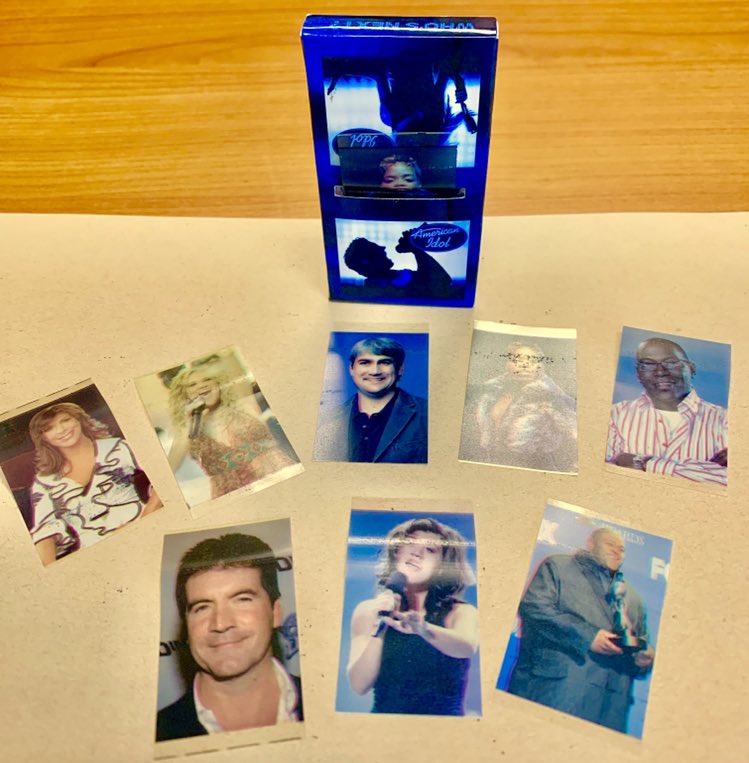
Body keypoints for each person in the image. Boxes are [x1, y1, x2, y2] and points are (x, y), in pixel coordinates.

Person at [156, 533, 303, 741]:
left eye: (242, 599)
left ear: (276, 612)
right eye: (202, 607)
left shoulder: (324, 702)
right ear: (186, 625)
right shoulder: (157, 734)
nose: (221, 624)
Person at [507, 528, 654, 733]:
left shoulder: (635, 598)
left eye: (621, 549)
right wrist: (588, 636)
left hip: (611, 713)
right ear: (591, 543)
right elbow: (534, 608)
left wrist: (644, 659)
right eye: (609, 544)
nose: (616, 551)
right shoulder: (558, 566)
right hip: (556, 696)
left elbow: (640, 647)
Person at [346, 517, 479, 715]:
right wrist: (380, 626)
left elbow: (466, 647)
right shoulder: (368, 611)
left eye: (430, 550)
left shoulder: (460, 612)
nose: (417, 553)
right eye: (410, 543)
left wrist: (423, 629)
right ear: (396, 552)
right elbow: (359, 685)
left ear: (442, 567)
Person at [27, 402, 161, 565]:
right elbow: (44, 531)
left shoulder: (118, 447)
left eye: (65, 420)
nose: (61, 430)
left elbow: (162, 477)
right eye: (49, 428)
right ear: (43, 438)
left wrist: (144, 522)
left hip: (146, 531)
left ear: (79, 419)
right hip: (96, 556)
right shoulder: (44, 481)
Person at [606, 337, 728, 486]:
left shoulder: (726, 420)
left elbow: (733, 481)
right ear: (638, 373)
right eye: (648, 364)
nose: (660, 372)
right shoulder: (615, 415)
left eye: (671, 362)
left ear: (691, 369)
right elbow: (605, 477)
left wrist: (646, 463)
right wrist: (702, 473)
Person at [167, 364, 298, 500]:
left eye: (207, 379)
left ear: (218, 384)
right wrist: (191, 423)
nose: (202, 385)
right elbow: (170, 468)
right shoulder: (186, 429)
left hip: (276, 475)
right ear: (184, 394)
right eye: (192, 384)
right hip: (231, 493)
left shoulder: (241, 405)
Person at [461, 341, 577, 472]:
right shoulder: (490, 394)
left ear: (540, 367)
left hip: (534, 471)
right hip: (493, 466)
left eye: (532, 361)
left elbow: (577, 438)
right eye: (518, 360)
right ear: (507, 364)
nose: (525, 365)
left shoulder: (552, 397)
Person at [313, 337, 428, 463]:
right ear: (351, 368)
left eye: (385, 362)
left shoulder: (427, 413)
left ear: (400, 369)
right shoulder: (327, 420)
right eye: (365, 363)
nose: (375, 371)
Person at [343, 228, 452, 299]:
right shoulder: (381, 292)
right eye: (375, 248)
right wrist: (416, 249)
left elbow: (443, 281)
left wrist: (416, 249)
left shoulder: (395, 278)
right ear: (366, 262)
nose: (383, 247)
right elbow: (442, 285)